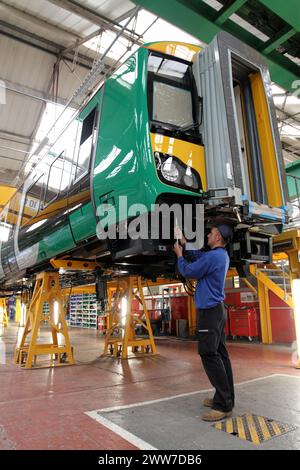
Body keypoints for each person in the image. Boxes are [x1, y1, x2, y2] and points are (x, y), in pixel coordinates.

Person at [173, 224, 235, 422]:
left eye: (211, 233)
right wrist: (185, 243)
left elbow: (189, 271)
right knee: (221, 355)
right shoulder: (219, 255)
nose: (208, 234)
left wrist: (179, 255)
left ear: (217, 236)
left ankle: (223, 406)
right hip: (216, 310)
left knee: (208, 353)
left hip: (209, 312)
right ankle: (226, 397)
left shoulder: (214, 257)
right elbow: (200, 257)